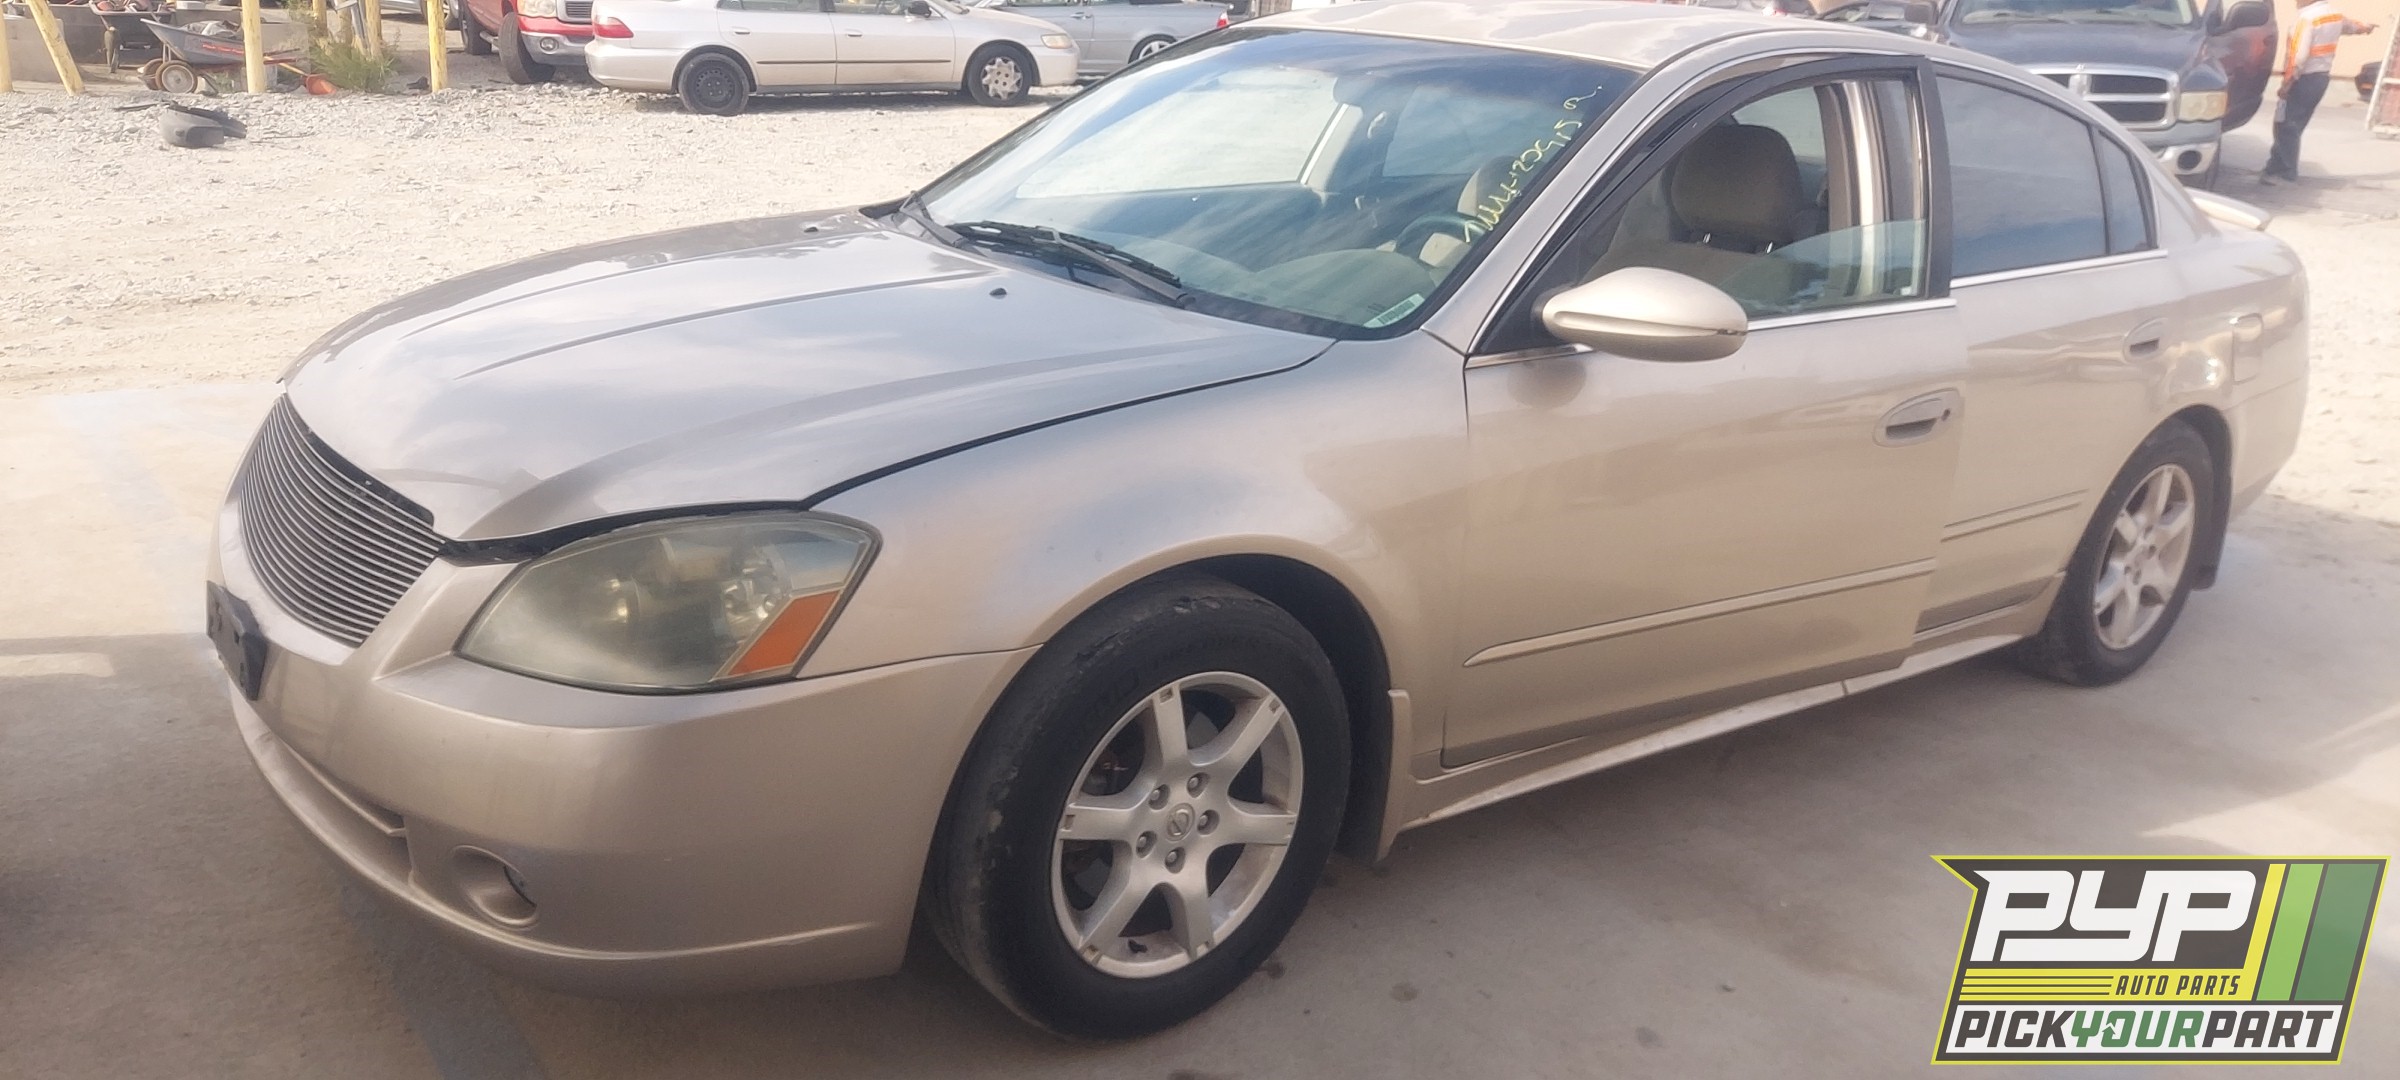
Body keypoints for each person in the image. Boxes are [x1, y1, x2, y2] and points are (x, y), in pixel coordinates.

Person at [2264, 0, 2381, 183]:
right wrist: (2366, 27)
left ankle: (2283, 172)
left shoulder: (2306, 19)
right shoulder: (2332, 14)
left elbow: (2298, 56)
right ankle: (2275, 165)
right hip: (2320, 79)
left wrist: (2286, 84)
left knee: (2287, 125)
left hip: (2303, 78)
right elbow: (2351, 26)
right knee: (2292, 125)